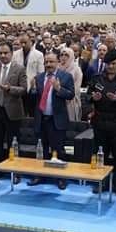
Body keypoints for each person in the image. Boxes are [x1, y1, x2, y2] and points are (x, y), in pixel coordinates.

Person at [26, 52, 74, 190]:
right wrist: (33, 90)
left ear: (58, 62)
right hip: (41, 119)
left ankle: (61, 178)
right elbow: (32, 99)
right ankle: (39, 175)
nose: (48, 65)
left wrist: (59, 89)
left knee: (59, 150)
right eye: (46, 62)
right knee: (41, 149)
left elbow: (71, 95)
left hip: (56, 120)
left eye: (51, 62)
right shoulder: (39, 77)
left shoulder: (66, 77)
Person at [88, 51, 116, 196]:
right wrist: (93, 98)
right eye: (108, 64)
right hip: (100, 120)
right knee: (100, 153)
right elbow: (87, 96)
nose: (111, 66)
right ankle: (101, 181)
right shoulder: (96, 78)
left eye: (114, 63)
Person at [0, 42, 27, 180]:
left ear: (11, 53)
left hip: (13, 111)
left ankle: (15, 172)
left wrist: (10, 89)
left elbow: (24, 89)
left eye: (5, 53)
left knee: (13, 143)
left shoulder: (19, 68)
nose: (3, 55)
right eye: (0, 53)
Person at [11, 33, 43, 115]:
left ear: (30, 42)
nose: (23, 45)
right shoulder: (15, 54)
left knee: (31, 110)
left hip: (32, 85)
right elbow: (13, 69)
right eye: (21, 43)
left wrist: (35, 82)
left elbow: (40, 72)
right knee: (19, 109)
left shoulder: (39, 55)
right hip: (18, 84)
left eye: (25, 42)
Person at [58, 46, 83, 122]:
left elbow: (76, 87)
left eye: (66, 55)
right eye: (62, 55)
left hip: (70, 101)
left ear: (71, 56)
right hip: (58, 99)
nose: (63, 57)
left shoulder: (76, 69)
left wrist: (66, 94)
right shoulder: (57, 68)